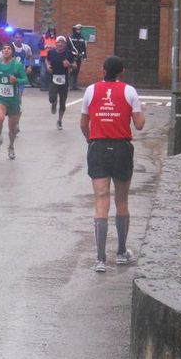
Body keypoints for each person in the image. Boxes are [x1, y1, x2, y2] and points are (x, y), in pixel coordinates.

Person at [80, 56, 145, 273]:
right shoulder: (130, 91)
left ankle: (100, 259)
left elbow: (83, 123)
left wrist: (91, 140)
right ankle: (121, 253)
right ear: (122, 71)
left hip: (98, 147)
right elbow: (140, 125)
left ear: (103, 69)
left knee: (100, 200)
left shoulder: (90, 90)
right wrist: (137, 110)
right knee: (122, 199)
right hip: (121, 148)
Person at [0, 43, 28, 159]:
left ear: (12, 52)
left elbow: (25, 79)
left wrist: (17, 80)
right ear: (1, 51)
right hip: (0, 98)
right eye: (4, 48)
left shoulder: (17, 65)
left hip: (14, 100)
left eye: (9, 48)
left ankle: (11, 146)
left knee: (12, 128)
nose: (6, 50)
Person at [46, 35, 77, 130]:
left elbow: (75, 65)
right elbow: (47, 60)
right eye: (58, 42)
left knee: (63, 103)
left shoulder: (69, 54)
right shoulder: (51, 52)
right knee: (51, 98)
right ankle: (54, 103)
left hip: (64, 80)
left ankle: (59, 121)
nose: (60, 44)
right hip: (53, 78)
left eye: (62, 42)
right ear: (56, 43)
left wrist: (70, 65)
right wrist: (47, 66)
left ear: (65, 44)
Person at [69, 24, 87, 90]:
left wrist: (85, 57)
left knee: (77, 71)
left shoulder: (82, 38)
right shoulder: (70, 38)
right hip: (72, 57)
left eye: (79, 29)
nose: (78, 30)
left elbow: (84, 48)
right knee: (72, 70)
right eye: (77, 29)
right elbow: (68, 47)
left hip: (79, 57)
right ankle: (70, 85)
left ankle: (74, 85)